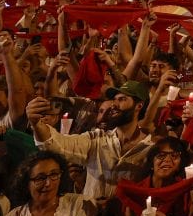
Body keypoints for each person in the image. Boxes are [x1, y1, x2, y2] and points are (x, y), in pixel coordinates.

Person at [27, 81, 155, 199]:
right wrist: (36, 124)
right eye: (114, 100)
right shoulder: (97, 139)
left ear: (139, 105)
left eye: (122, 99)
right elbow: (57, 144)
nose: (114, 105)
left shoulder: (150, 150)